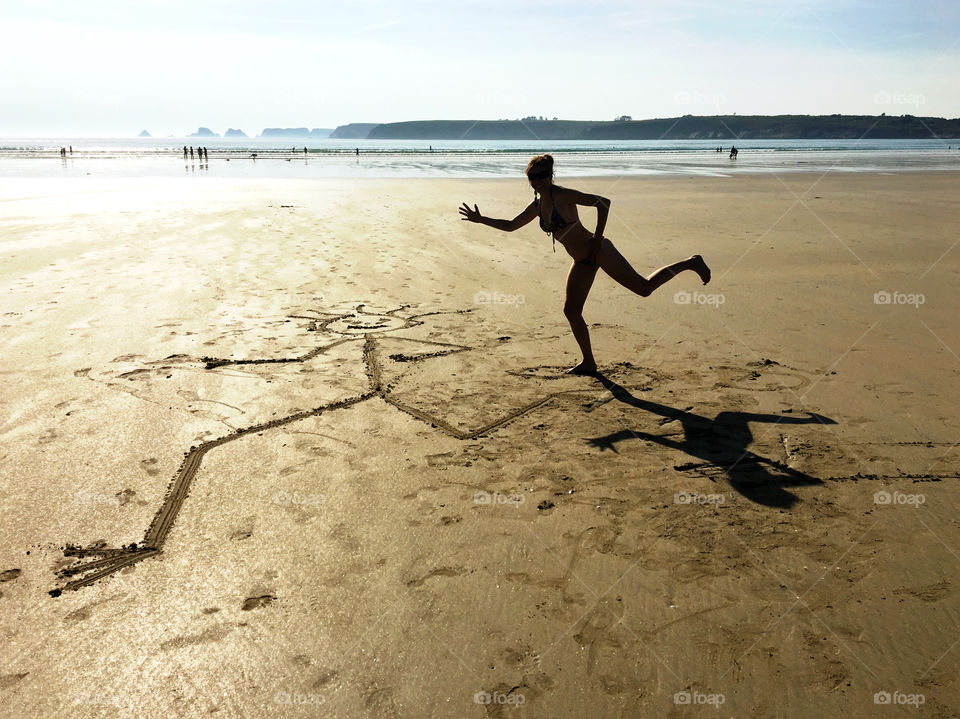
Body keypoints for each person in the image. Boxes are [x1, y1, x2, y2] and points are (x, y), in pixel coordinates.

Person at [459, 154, 710, 375]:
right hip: (582, 260)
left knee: (644, 288)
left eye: (542, 175)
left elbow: (603, 202)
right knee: (571, 310)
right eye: (533, 177)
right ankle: (589, 362)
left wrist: (597, 240)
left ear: (551, 175)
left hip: (598, 251)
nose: (538, 181)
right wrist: (482, 220)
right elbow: (512, 225)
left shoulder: (562, 195)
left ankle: (691, 262)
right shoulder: (538, 205)